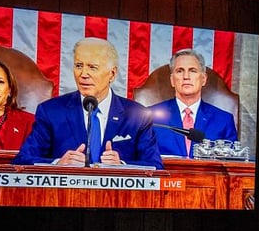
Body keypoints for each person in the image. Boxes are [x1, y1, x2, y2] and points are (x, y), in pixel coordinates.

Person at [12, 37, 163, 168]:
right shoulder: (51, 112)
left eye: (92, 67)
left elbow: (154, 166)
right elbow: (22, 161)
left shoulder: (138, 115)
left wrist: (122, 166)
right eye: (79, 66)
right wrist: (57, 164)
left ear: (112, 74)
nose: (83, 74)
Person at [147, 48, 238, 158]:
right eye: (180, 71)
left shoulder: (223, 120)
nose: (186, 77)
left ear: (203, 79)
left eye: (192, 71)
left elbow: (232, 164)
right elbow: (142, 158)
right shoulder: (150, 117)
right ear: (172, 80)